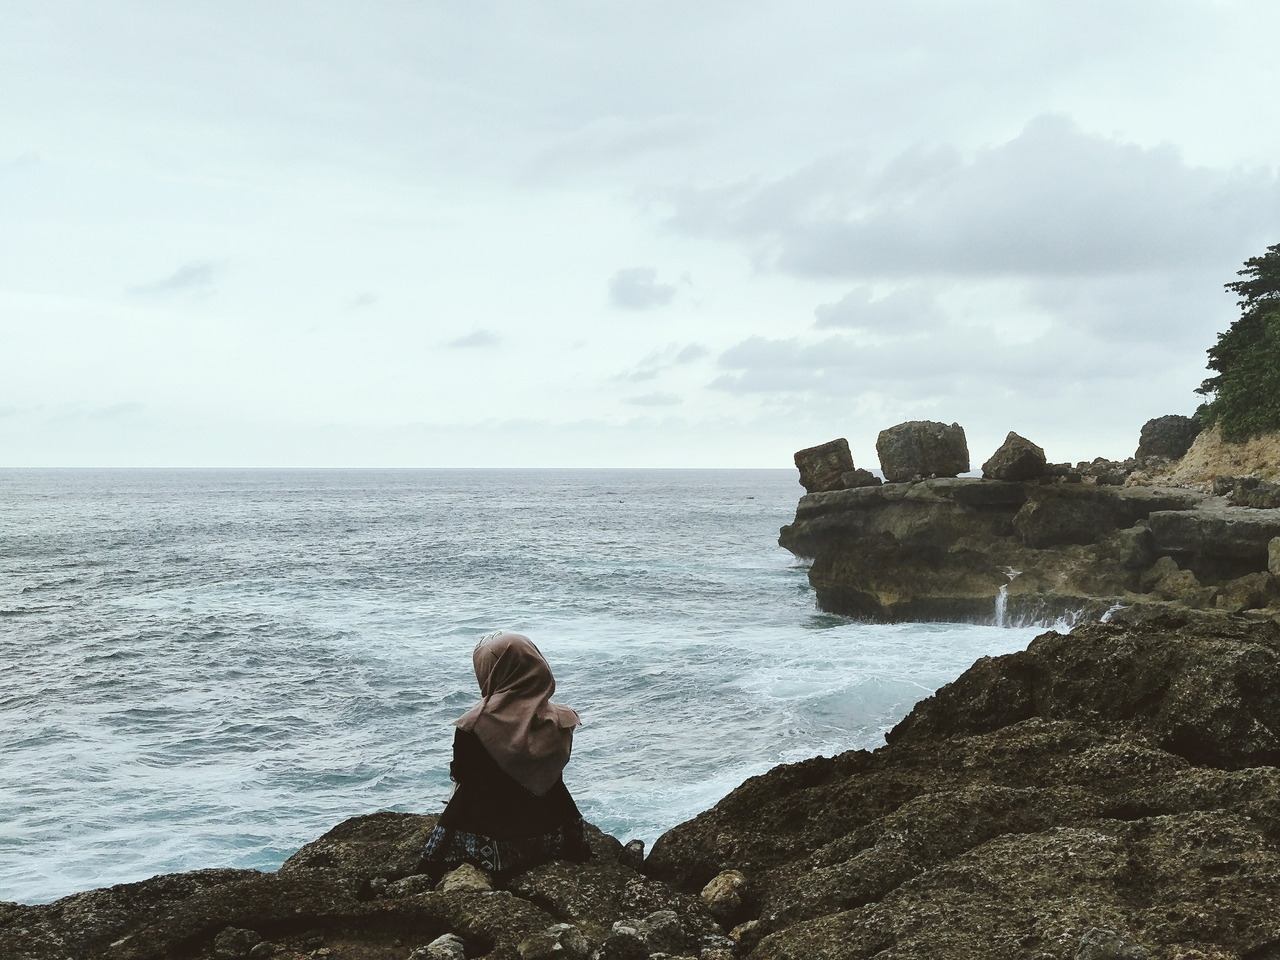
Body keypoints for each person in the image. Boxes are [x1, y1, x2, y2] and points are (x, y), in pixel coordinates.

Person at [421, 631, 591, 879]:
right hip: (554, 830)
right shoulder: (561, 718)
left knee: (432, 862)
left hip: (493, 835)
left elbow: (461, 773)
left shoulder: (476, 722)